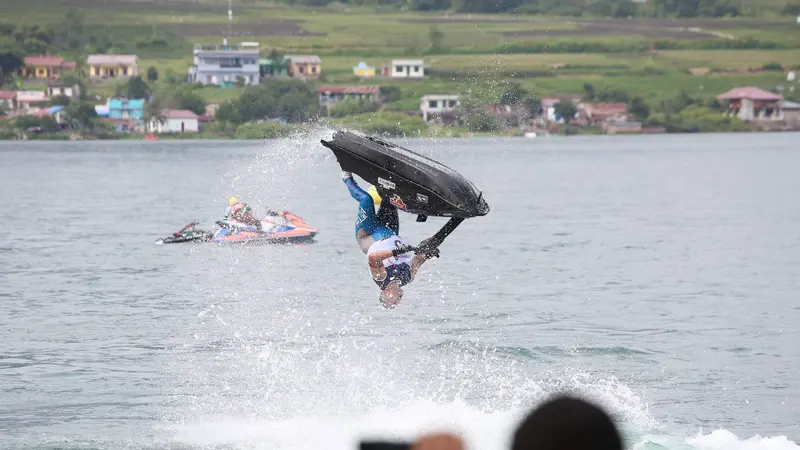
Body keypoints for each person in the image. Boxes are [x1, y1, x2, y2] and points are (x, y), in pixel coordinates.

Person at [341, 171, 437, 309]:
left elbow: (374, 259)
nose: (400, 298)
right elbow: (417, 260)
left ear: (385, 293)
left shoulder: (381, 278)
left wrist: (395, 251)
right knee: (392, 198)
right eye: (399, 301)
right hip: (390, 231)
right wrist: (428, 253)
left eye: (395, 300)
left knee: (366, 199)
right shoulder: (408, 277)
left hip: (368, 235)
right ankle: (386, 171)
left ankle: (346, 177)